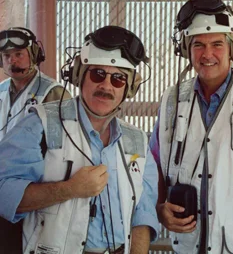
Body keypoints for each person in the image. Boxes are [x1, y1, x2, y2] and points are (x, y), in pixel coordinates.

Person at [0, 25, 159, 254]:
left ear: (129, 88)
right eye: (97, 74)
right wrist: (70, 189)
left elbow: (143, 212)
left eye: (118, 79)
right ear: (78, 76)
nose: (106, 86)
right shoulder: (39, 125)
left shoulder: (138, 141)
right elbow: (4, 193)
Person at [149, 0, 233, 253]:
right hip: (187, 246)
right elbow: (154, 164)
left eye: (217, 44)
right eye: (198, 44)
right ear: (186, 49)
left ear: (232, 48)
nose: (207, 54)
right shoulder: (171, 100)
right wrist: (158, 207)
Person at [0, 26, 71, 253]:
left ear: (34, 54)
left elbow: (62, 153)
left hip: (33, 196)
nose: (12, 61)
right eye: (6, 56)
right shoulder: (0, 91)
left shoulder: (53, 94)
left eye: (18, 54)